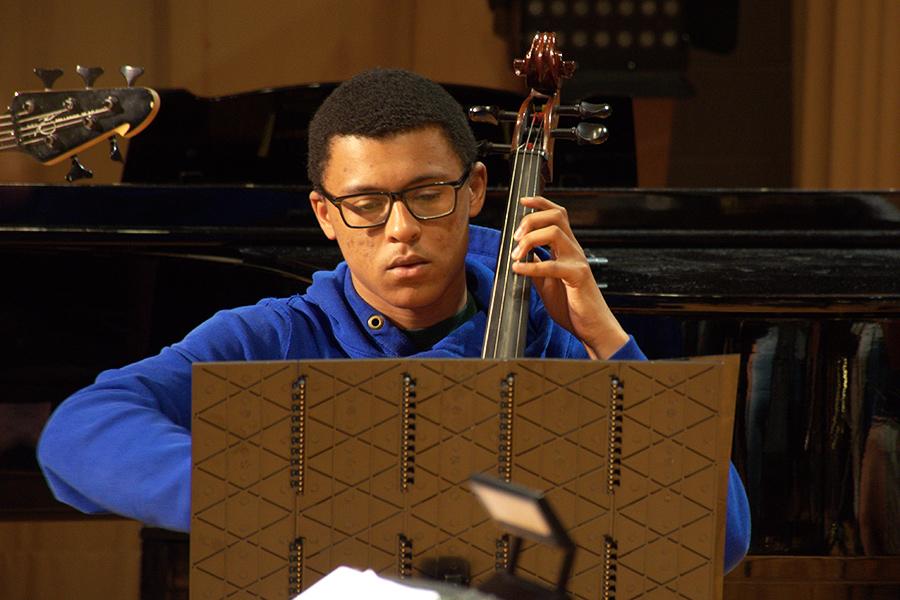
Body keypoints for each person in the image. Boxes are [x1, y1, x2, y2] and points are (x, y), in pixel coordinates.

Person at [37, 69, 750, 572]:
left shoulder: (559, 342)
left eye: (427, 194)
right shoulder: (276, 335)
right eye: (367, 203)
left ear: (475, 190)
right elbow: (81, 429)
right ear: (326, 214)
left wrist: (606, 341)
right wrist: (281, 493)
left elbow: (719, 535)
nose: (401, 229)